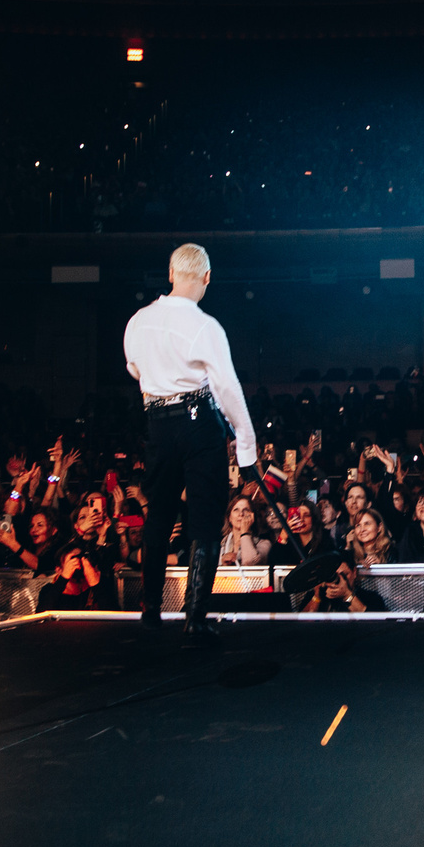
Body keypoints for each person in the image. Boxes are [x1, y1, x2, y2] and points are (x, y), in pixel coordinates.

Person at [122, 243, 258, 645]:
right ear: (206, 278)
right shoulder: (206, 326)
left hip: (157, 424)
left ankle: (150, 610)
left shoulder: (137, 322)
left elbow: (134, 368)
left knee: (159, 512)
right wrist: (247, 445)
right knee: (203, 516)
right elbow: (227, 388)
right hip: (199, 422)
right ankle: (194, 616)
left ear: (170, 273)